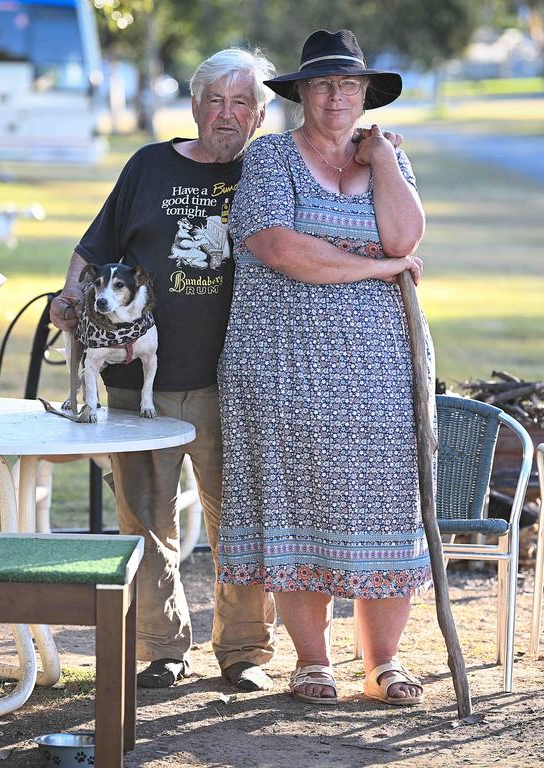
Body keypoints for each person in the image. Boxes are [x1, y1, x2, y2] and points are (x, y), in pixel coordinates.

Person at [50, 48, 279, 691]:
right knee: (145, 516)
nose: (227, 115)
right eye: (215, 100)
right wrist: (70, 301)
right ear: (196, 106)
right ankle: (162, 647)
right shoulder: (148, 165)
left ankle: (243, 651)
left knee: (237, 515)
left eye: (242, 103)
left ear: (261, 115)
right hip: (135, 378)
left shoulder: (269, 171)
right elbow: (93, 250)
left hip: (231, 382)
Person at [215, 29, 433, 706]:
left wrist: (386, 161)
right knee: (297, 502)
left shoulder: (388, 160)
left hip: (379, 371)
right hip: (278, 365)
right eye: (321, 84)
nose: (335, 98)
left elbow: (406, 237)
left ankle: (383, 664)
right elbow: (281, 248)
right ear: (302, 92)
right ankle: (313, 661)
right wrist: (377, 268)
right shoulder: (270, 158)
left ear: (365, 93)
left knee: (385, 507)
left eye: (348, 85)